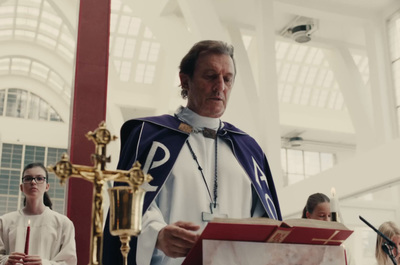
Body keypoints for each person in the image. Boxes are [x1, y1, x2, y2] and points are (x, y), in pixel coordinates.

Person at [102, 40, 282, 265]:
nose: (220, 87)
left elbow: (266, 223)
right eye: (210, 76)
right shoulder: (149, 136)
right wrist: (156, 235)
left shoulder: (248, 149)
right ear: (184, 80)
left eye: (227, 79)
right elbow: (125, 205)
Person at [0, 162, 77, 265]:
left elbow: (69, 262)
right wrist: (6, 261)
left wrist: (44, 263)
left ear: (47, 186)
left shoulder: (63, 223)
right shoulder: (4, 222)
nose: (33, 182)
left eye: (39, 178)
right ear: (21, 187)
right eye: (28, 178)